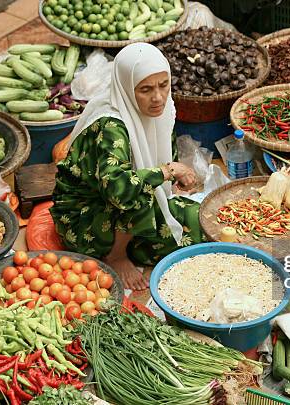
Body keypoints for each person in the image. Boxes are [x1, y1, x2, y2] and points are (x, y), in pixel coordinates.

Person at [50, 43, 204, 291]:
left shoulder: (160, 110)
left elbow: (159, 157)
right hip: (86, 218)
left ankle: (132, 239)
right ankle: (116, 255)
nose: (158, 97)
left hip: (123, 215)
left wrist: (171, 180)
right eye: (145, 89)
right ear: (126, 89)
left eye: (163, 85)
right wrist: (169, 171)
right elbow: (118, 188)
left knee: (200, 227)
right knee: (139, 190)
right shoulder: (111, 126)